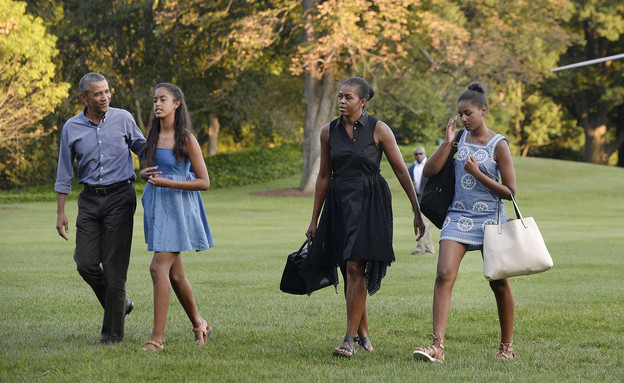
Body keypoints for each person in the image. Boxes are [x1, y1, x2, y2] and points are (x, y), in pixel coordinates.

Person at [304, 77, 425, 358]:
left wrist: (416, 210)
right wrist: (314, 220)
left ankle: (349, 339)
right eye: (340, 97)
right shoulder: (327, 131)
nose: (342, 102)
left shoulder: (379, 129)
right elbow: (323, 176)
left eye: (348, 97)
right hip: (339, 203)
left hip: (371, 202)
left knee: (357, 266)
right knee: (350, 269)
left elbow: (400, 171)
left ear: (363, 101)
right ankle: (365, 335)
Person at [413, 82, 517, 362]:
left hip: (491, 221)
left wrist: (479, 173)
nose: (463, 118)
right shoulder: (457, 138)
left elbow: (510, 192)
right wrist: (447, 142)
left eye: (468, 113)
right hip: (458, 216)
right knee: (443, 274)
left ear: (483, 111)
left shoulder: (499, 144)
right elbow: (430, 173)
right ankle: (437, 347)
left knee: (498, 283)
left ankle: (506, 347)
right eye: (460, 113)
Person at [55, 72, 146, 344]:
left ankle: (112, 337)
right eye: (97, 93)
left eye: (106, 91)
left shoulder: (124, 118)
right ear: (84, 97)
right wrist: (60, 211)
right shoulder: (71, 127)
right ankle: (121, 305)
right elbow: (63, 172)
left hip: (121, 196)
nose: (104, 97)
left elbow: (144, 149)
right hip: (89, 200)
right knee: (85, 263)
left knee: (115, 269)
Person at [138, 83, 215, 351]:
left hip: (179, 210)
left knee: (158, 267)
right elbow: (150, 170)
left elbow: (204, 182)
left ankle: (156, 340)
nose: (157, 104)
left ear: (176, 104)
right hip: (157, 208)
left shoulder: (186, 139)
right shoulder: (152, 135)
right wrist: (144, 175)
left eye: (163, 99)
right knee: (176, 275)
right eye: (155, 100)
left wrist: (168, 183)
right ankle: (199, 323)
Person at [408, 146, 435, 254]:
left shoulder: (430, 165)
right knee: (424, 222)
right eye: (416, 154)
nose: (418, 156)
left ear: (424, 154)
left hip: (427, 197)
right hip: (416, 197)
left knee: (424, 222)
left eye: (420, 154)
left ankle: (419, 249)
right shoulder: (411, 168)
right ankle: (430, 249)